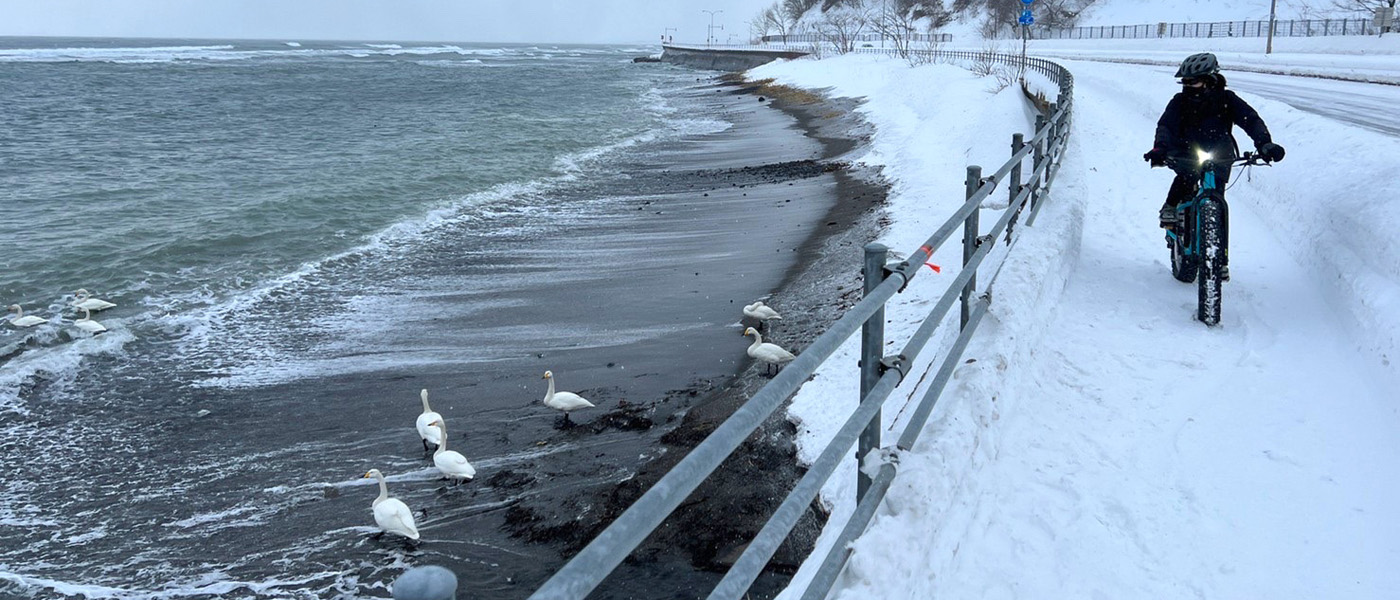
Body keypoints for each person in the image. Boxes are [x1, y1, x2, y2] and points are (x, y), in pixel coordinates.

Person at [1143, 52, 1286, 229]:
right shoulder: (1180, 101)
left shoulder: (1227, 99)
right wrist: (1160, 148)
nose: (1188, 86)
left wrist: (1264, 143)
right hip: (1185, 151)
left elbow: (1250, 120)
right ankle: (1170, 206)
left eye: (1193, 81)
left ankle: (1215, 240)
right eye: (1185, 82)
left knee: (1217, 195)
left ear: (1209, 80)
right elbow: (1166, 126)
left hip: (1219, 152)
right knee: (1188, 175)